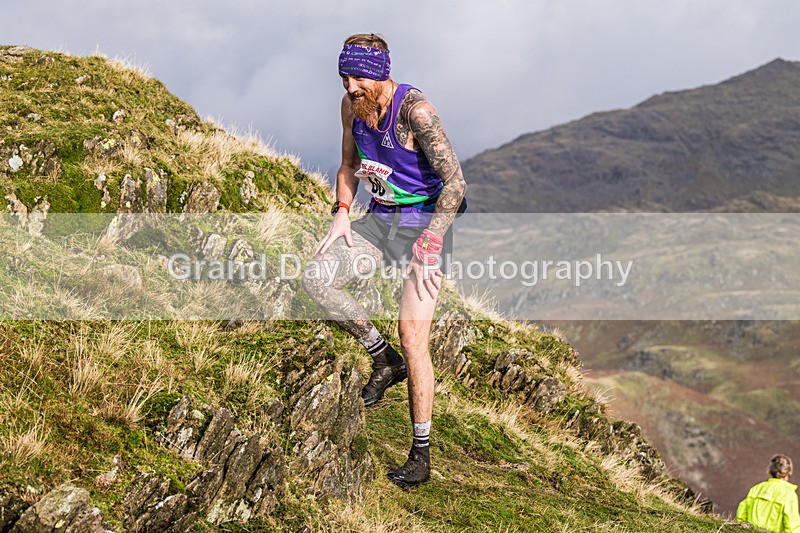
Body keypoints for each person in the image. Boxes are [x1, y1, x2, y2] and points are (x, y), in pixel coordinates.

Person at [303, 33, 466, 488]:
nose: (350, 87)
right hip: (379, 223)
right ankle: (383, 360)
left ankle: (421, 454)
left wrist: (432, 242)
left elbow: (456, 183)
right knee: (316, 279)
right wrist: (341, 213)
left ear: (380, 73)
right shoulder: (350, 108)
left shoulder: (417, 112)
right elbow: (347, 165)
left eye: (358, 78)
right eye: (344, 77)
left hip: (424, 229)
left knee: (413, 336)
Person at [736, 454, 800, 532]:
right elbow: (792, 527)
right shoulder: (789, 495)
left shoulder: (756, 489)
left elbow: (741, 515)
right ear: (788, 472)